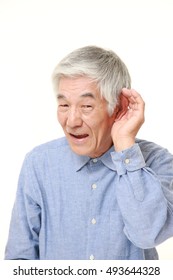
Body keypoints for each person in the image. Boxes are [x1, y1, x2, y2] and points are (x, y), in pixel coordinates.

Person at [5, 45, 173, 260]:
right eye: (64, 105)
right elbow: (19, 259)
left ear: (118, 108)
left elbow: (148, 234)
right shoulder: (39, 163)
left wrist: (125, 145)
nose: (72, 121)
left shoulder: (157, 161)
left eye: (86, 106)